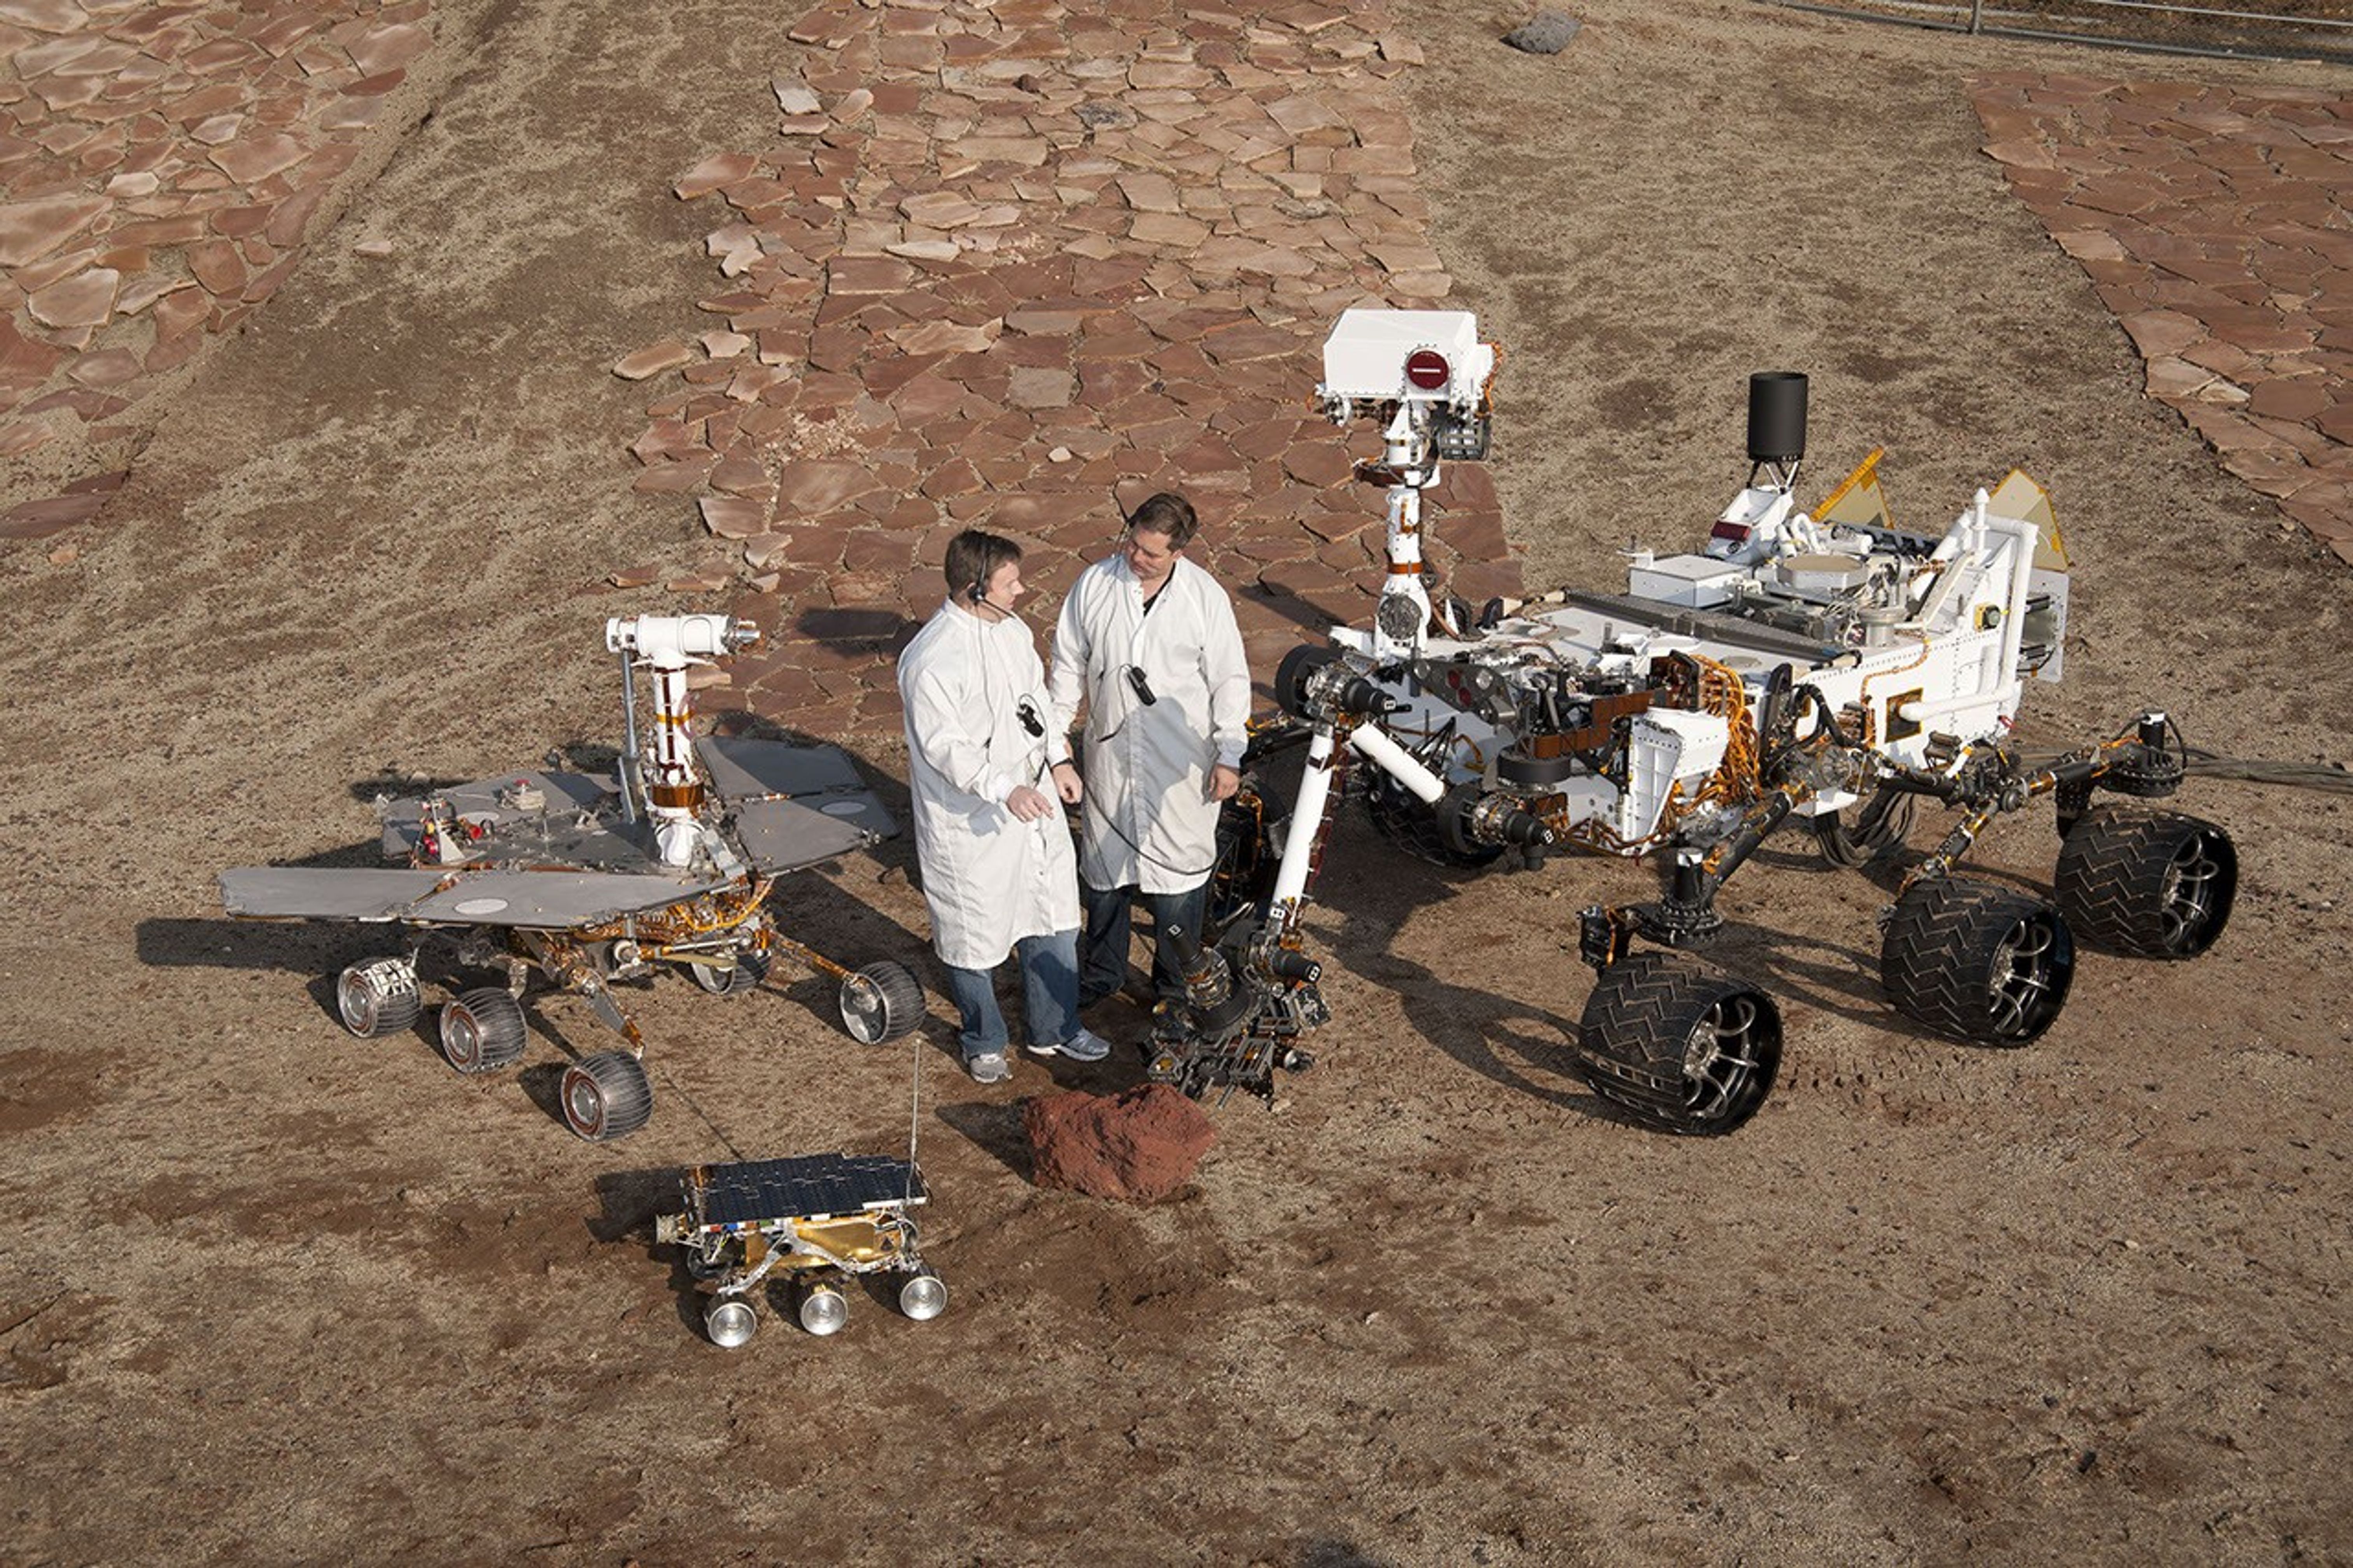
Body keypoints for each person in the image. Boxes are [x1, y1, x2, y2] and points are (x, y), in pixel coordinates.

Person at [899, 530, 1112, 1083]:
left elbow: (1034, 707)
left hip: (1032, 803)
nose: (1022, 590)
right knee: (974, 934)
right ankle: (983, 1038)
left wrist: (1059, 760)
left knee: (1054, 915)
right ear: (975, 589)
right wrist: (1003, 789)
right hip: (971, 823)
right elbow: (946, 749)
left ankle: (1055, 1028)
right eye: (1010, 582)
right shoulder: (931, 660)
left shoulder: (1013, 632)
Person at [1047, 492, 1251, 1039]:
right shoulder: (1093, 585)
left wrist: (1229, 754)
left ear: (1179, 553)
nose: (1137, 559)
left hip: (1180, 767)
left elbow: (1229, 678)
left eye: (1151, 554)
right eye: (1133, 545)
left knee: (1177, 880)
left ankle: (1174, 984)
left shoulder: (1204, 599)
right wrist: (1055, 745)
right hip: (1111, 758)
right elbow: (1067, 665)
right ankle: (1104, 972)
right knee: (1104, 872)